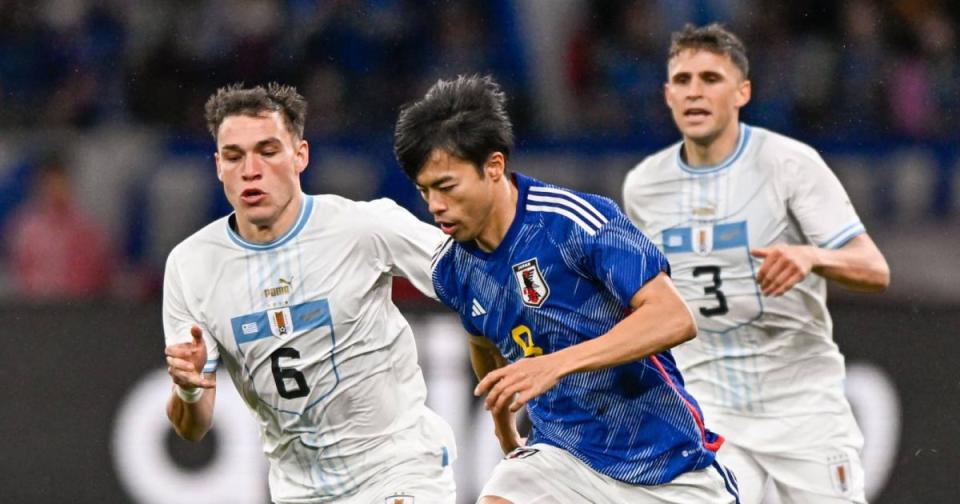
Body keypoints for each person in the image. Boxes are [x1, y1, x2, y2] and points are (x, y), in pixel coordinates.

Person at [394, 75, 739, 503]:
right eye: (424, 191)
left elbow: (674, 317)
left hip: (665, 465)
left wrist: (553, 365)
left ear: (494, 167)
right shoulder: (452, 268)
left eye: (446, 187)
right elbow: (483, 342)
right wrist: (504, 427)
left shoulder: (576, 221)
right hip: (562, 458)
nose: (435, 206)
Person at [622, 24, 891, 504]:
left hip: (801, 406)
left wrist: (811, 256)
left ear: (742, 91)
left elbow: (873, 268)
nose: (695, 92)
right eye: (682, 81)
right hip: (708, 405)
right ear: (667, 94)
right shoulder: (644, 185)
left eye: (711, 78)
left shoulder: (789, 164)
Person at [162, 83, 456, 503]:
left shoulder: (364, 228)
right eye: (234, 156)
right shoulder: (190, 266)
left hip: (398, 470)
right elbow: (192, 427)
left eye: (267, 151)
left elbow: (477, 278)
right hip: (300, 492)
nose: (250, 169)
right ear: (218, 167)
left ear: (300, 155)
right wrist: (189, 388)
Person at [6, 155, 114, 299]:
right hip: (37, 308)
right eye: (50, 184)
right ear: (40, 187)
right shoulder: (26, 229)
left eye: (60, 183)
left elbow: (99, 274)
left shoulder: (87, 229)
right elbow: (20, 273)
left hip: (79, 306)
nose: (55, 190)